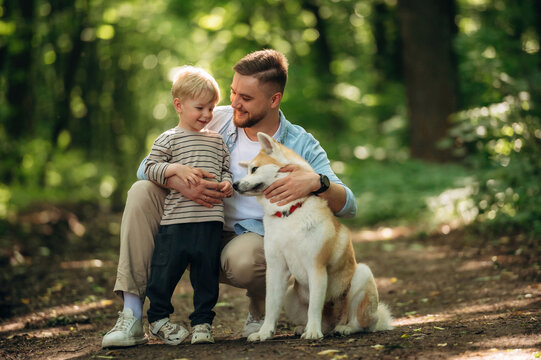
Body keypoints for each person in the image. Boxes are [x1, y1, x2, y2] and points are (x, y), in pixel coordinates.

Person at [102, 49, 357, 348]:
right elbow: (145, 166)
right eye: (234, 92)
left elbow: (348, 204)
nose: (234, 102)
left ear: (274, 99)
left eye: (246, 98)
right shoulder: (212, 118)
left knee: (251, 259)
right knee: (141, 190)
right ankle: (131, 315)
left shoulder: (300, 143)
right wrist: (178, 181)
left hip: (243, 242)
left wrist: (317, 181)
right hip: (189, 223)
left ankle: (259, 309)